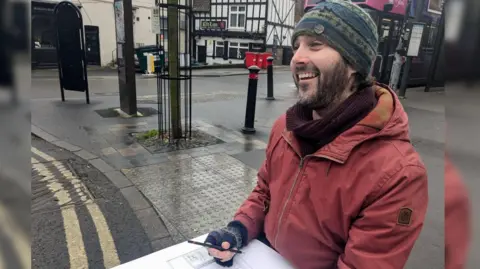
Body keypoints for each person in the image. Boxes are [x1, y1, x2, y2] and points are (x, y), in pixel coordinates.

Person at [204, 0, 429, 268]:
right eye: (296, 46)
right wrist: (239, 229)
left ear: (354, 63)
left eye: (315, 45)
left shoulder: (398, 174)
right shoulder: (285, 128)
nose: (298, 57)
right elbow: (265, 193)